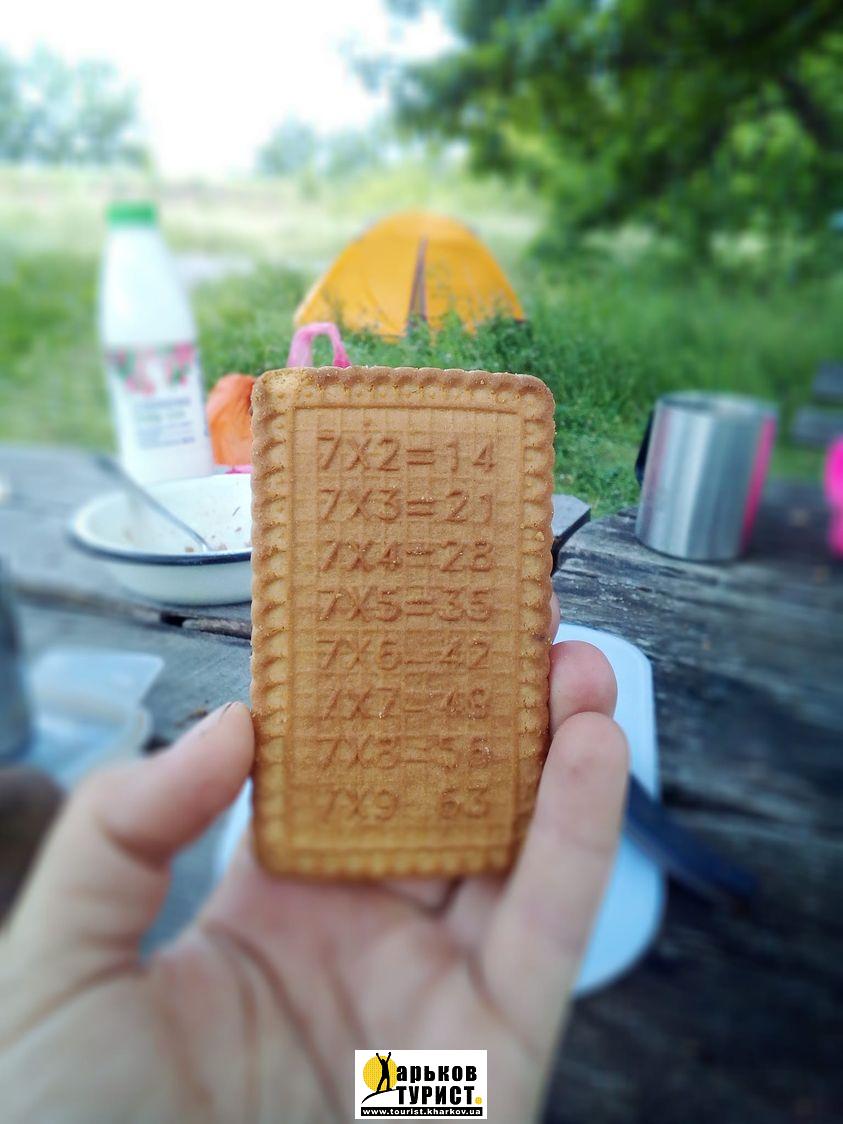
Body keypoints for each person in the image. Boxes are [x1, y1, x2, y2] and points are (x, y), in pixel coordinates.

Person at [0, 630, 627, 1122]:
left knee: (448, 1077)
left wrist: (391, 1096)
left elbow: (412, 1088)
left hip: (380, 1068)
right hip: (356, 1035)